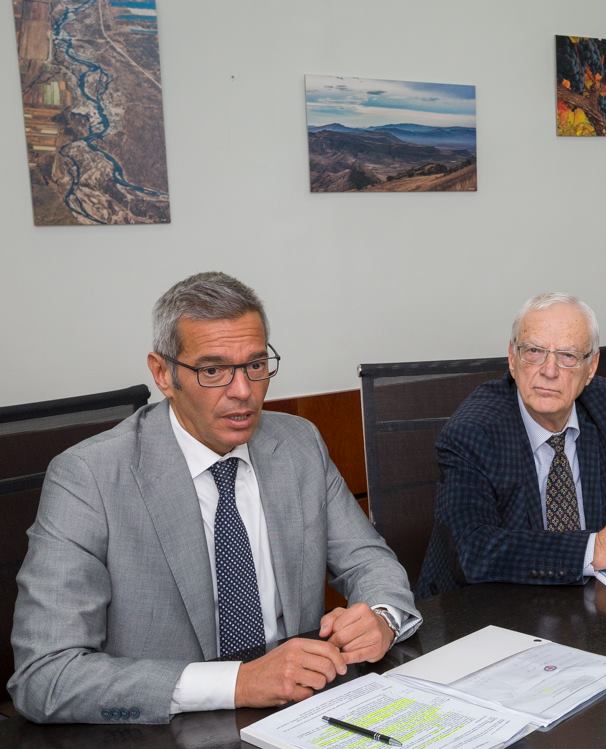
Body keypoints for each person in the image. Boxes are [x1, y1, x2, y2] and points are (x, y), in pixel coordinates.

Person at [8, 272, 420, 725]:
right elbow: (45, 676)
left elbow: (368, 561)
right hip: (171, 727)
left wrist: (381, 618)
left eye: (256, 365)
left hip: (301, 712)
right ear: (163, 374)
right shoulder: (89, 477)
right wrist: (238, 682)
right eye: (213, 371)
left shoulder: (298, 443)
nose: (242, 391)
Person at [417, 292, 606, 597]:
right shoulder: (472, 432)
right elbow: (473, 551)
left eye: (568, 356)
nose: (549, 371)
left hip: (589, 603)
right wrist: (599, 548)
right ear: (512, 359)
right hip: (484, 609)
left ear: (591, 366)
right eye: (534, 351)